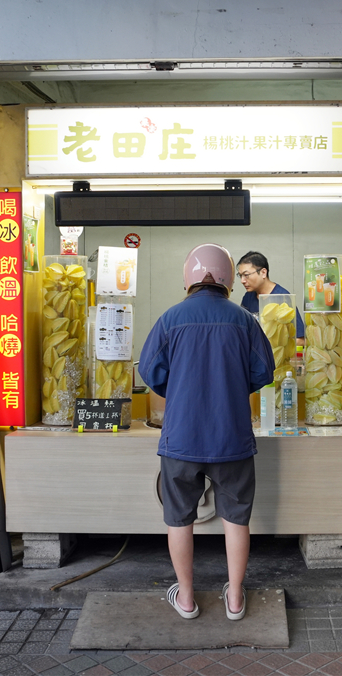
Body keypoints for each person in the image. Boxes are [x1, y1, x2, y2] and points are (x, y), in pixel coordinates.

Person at [139, 243, 275, 621]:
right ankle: (234, 599)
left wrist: (179, 390)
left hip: (180, 437)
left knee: (179, 518)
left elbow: (149, 371)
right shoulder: (244, 320)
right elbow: (265, 371)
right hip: (231, 436)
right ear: (230, 279)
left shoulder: (170, 318)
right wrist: (230, 387)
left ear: (188, 278)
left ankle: (186, 599)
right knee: (237, 518)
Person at [236, 250, 306, 343]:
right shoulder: (248, 297)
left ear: (263, 272)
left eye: (246, 275)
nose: (242, 280)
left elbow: (300, 340)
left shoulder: (283, 297)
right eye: (240, 276)